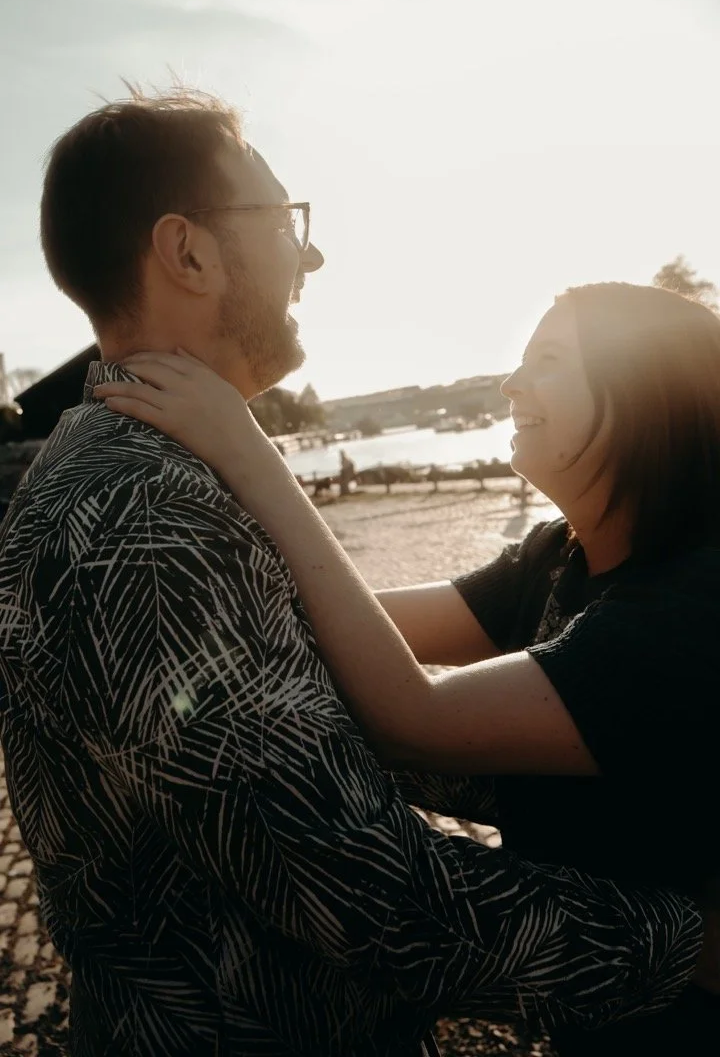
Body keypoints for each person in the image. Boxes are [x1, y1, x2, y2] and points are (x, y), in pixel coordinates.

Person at [0, 89, 701, 1057]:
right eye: (289, 221)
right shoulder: (145, 517)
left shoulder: (135, 470)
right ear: (189, 253)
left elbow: (314, 726)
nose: (312, 254)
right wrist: (689, 938)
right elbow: (377, 896)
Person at [97, 280, 720, 1054]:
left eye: (550, 360)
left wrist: (246, 449)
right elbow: (346, 622)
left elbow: (412, 717)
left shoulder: (695, 602)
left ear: (643, 395)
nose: (511, 382)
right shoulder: (558, 557)